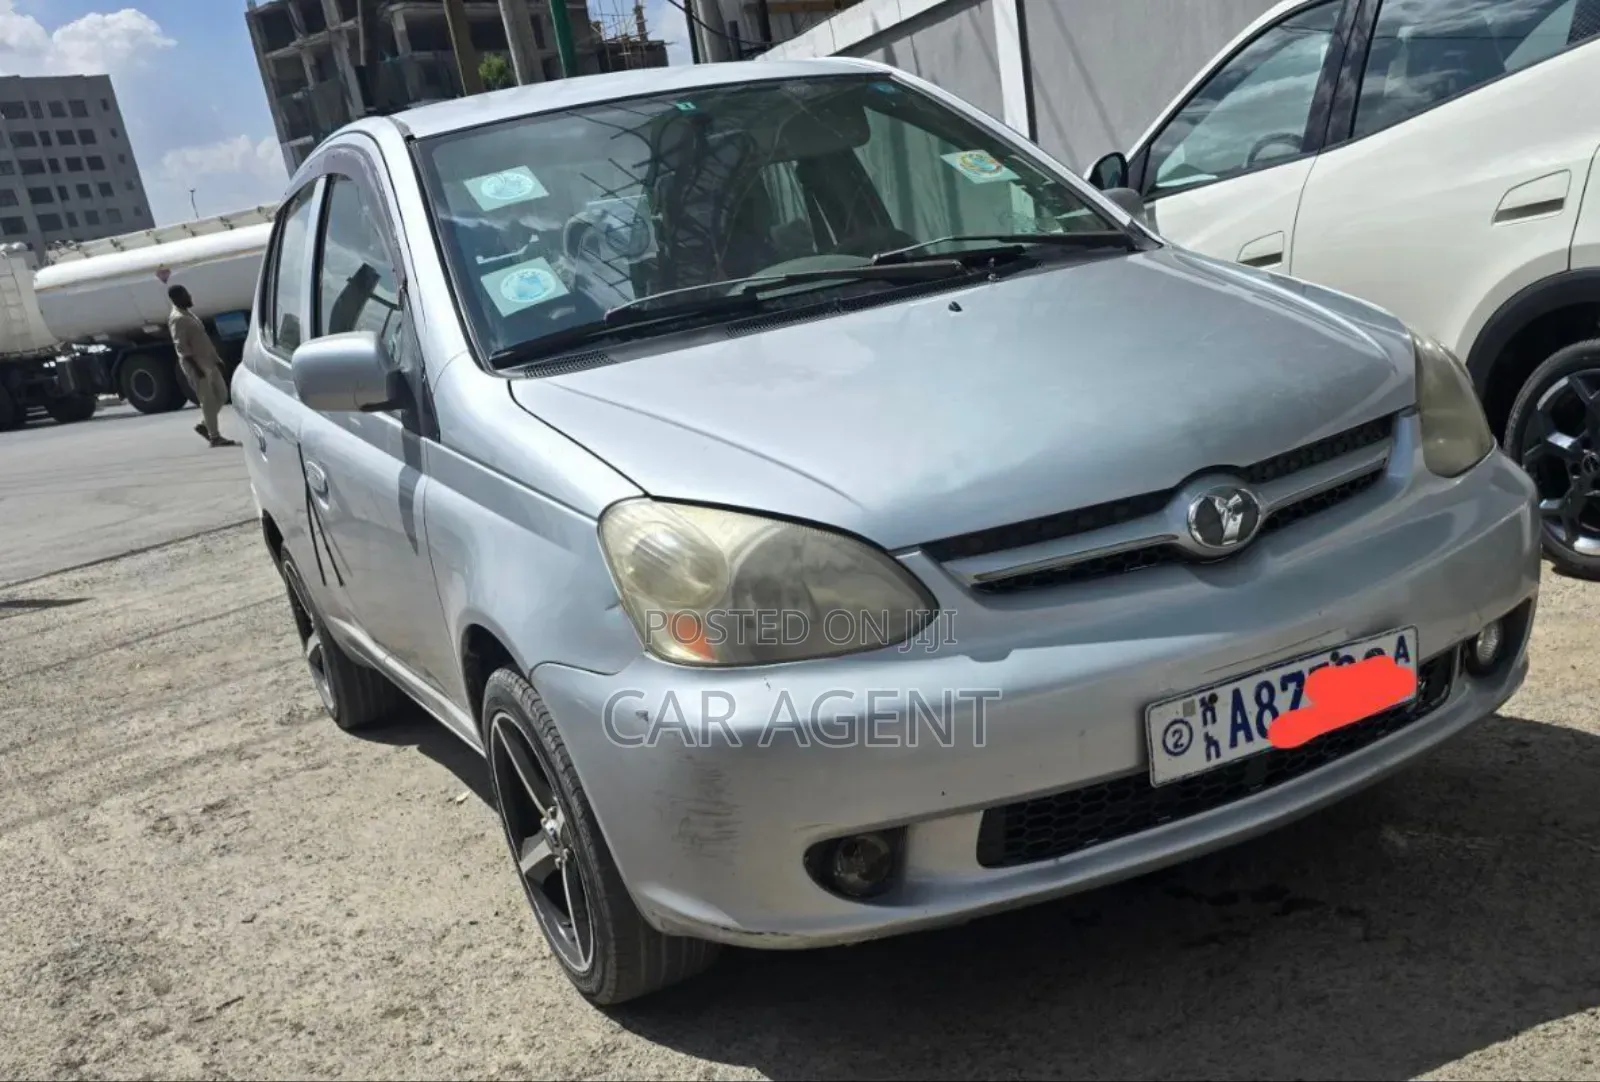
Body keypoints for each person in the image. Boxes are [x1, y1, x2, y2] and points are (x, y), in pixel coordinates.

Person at [167, 283, 239, 448]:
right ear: (176, 298)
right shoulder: (177, 319)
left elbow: (203, 340)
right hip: (197, 367)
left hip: (209, 362)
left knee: (221, 395)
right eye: (186, 295)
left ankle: (204, 425)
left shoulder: (188, 314)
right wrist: (197, 369)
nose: (190, 297)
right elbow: (181, 348)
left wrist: (216, 359)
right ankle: (215, 437)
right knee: (207, 400)